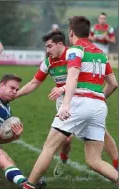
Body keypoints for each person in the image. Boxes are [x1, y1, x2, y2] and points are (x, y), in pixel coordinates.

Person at [20, 16, 118, 189]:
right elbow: (113, 84)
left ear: (71, 32)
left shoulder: (75, 50)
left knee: (49, 146)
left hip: (79, 103)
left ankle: (29, 185)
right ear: (88, 32)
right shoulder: (101, 54)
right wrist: (98, 99)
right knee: (94, 160)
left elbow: (72, 76)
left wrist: (66, 105)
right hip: (99, 106)